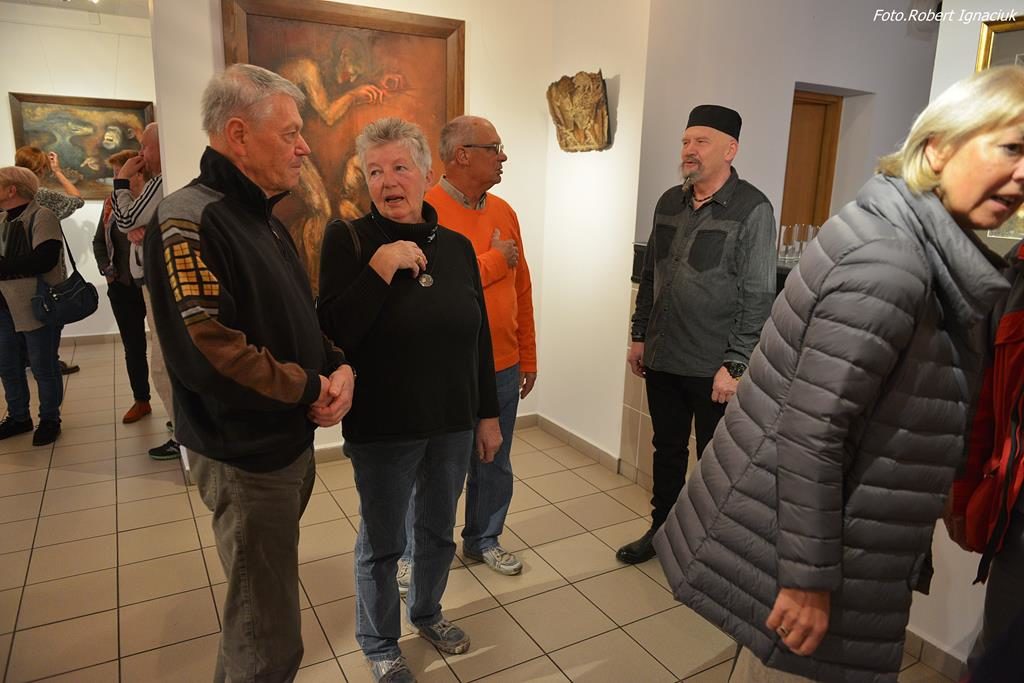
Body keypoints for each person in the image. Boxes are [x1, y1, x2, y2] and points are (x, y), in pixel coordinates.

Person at [653, 65, 1024, 682]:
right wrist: (807, 580)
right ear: (938, 148)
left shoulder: (896, 235)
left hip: (834, 542)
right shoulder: (891, 263)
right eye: (1010, 148)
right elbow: (811, 434)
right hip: (822, 557)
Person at [143, 63, 353, 682]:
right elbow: (210, 351)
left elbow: (297, 317)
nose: (304, 147)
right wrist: (309, 386)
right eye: (290, 133)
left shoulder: (261, 216)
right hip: (244, 453)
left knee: (265, 605)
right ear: (238, 134)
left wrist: (338, 366)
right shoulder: (188, 219)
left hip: (282, 441)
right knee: (265, 634)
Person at [318, 117, 501, 683]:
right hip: (383, 425)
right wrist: (379, 269)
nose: (388, 181)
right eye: (374, 171)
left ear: (426, 173)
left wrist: (487, 415)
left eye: (400, 167)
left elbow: (478, 338)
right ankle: (379, 641)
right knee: (383, 543)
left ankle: (426, 612)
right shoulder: (348, 240)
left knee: (437, 533)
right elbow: (332, 332)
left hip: (451, 422)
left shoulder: (458, 248)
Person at [618, 104, 776, 564]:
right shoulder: (669, 201)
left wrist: (736, 364)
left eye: (701, 141)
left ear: (730, 150)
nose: (689, 149)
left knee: (715, 460)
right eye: (686, 141)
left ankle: (709, 548)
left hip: (713, 367)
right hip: (663, 355)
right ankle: (662, 531)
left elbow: (758, 293)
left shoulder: (753, 208)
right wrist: (639, 334)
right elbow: (653, 274)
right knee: (666, 450)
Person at [393, 115, 536, 586]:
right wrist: (495, 259)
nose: (503, 156)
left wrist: (528, 354)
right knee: (434, 470)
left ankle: (483, 538)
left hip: (502, 365)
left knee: (495, 461)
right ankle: (413, 552)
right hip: (446, 370)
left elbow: (522, 288)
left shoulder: (505, 211)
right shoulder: (423, 212)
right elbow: (433, 283)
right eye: (494, 148)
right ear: (462, 155)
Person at [110, 123, 177, 459]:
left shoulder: (163, 181)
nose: (140, 155)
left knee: (164, 363)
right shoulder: (163, 182)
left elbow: (125, 220)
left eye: (144, 148)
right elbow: (129, 223)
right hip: (153, 280)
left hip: (159, 282)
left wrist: (121, 180)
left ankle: (183, 434)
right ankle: (181, 427)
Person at [0, 166, 65, 445]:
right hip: (3, 306)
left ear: (11, 190)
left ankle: (50, 419)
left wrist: (3, 267)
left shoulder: (42, 215)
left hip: (35, 305)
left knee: (43, 366)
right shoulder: (2, 219)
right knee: (7, 366)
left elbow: (44, 260)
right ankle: (19, 417)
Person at [15, 145, 84, 376]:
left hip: (14, 270)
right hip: (46, 269)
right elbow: (77, 199)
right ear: (42, 168)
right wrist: (59, 172)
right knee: (51, 316)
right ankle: (48, 363)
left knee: (22, 318)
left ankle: (29, 360)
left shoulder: (9, 196)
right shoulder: (43, 196)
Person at [93, 150, 151, 424]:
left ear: (138, 172)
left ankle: (177, 408)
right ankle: (141, 400)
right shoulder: (110, 204)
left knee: (167, 347)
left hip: (152, 286)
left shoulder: (154, 200)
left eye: (120, 172)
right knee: (133, 346)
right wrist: (107, 270)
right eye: (115, 172)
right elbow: (99, 242)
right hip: (122, 286)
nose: (116, 178)